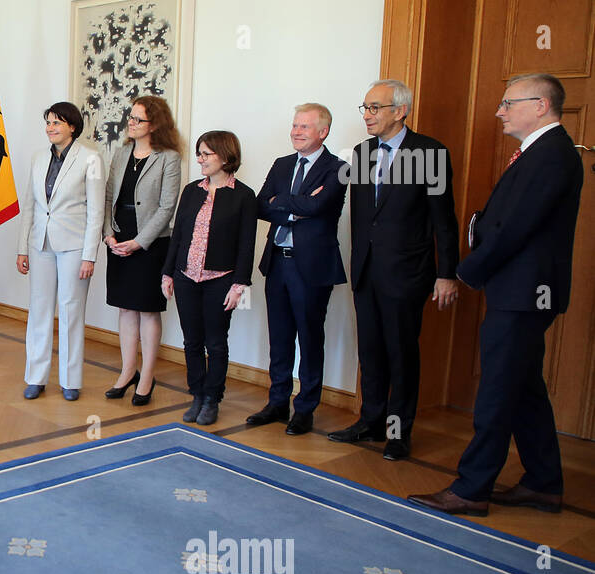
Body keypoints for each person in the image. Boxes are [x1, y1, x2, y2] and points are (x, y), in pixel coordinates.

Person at [409, 74, 583, 516]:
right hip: (521, 290)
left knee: (497, 392)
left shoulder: (551, 155)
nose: (499, 111)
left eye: (508, 103)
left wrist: (467, 270)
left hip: (525, 293)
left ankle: (471, 488)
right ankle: (544, 483)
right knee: (524, 388)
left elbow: (516, 227)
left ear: (541, 105)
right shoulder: (542, 152)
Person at [327, 79, 459, 460]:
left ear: (400, 111)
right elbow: (364, 216)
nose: (366, 115)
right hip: (366, 270)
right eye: (364, 108)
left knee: (401, 352)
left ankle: (398, 431)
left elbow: (443, 220)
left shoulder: (429, 153)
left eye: (374, 108)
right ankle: (370, 420)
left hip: (407, 272)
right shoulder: (362, 154)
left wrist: (447, 273)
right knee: (369, 350)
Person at [247, 103, 347, 435]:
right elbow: (261, 205)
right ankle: (277, 403)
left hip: (312, 267)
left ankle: (305, 408)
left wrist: (283, 201)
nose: (296, 132)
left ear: (323, 132)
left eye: (304, 127)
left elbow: (320, 206)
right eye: (294, 126)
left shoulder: (338, 168)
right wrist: (296, 207)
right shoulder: (282, 164)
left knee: (309, 337)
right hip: (277, 262)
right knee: (279, 337)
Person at [162, 131, 257, 425]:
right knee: (191, 340)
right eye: (199, 153)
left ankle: (213, 398)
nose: (200, 159)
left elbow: (246, 244)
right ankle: (197, 394)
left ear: (226, 157)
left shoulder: (244, 196)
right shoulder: (191, 191)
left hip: (221, 280)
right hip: (186, 276)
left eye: (206, 154)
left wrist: (239, 285)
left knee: (215, 343)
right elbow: (177, 235)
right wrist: (168, 272)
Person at [16, 102, 104, 401]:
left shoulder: (90, 158)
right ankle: (36, 377)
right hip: (39, 243)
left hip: (74, 245)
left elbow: (96, 211)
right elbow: (29, 204)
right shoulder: (38, 158)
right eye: (48, 122)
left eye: (57, 122)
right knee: (39, 309)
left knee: (70, 310)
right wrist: (22, 247)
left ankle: (70, 380)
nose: (50, 127)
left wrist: (89, 255)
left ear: (72, 127)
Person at [102, 96, 181, 406]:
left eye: (137, 119)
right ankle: (127, 371)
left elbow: (167, 207)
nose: (130, 124)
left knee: (147, 309)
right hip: (118, 240)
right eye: (130, 118)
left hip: (150, 243)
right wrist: (108, 234)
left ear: (155, 124)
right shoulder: (121, 153)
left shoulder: (169, 158)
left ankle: (146, 376)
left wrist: (139, 241)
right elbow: (108, 196)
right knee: (125, 308)